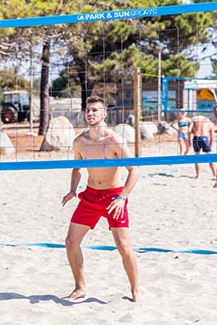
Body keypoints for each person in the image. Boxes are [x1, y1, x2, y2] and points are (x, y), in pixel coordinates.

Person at [60, 95, 139, 302]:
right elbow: (76, 168)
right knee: (70, 242)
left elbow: (134, 171)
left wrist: (122, 198)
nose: (90, 113)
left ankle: (135, 290)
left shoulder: (115, 140)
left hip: (114, 196)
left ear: (104, 114)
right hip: (90, 195)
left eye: (95, 110)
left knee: (123, 246)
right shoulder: (80, 141)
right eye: (88, 110)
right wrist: (72, 190)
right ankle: (80, 287)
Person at [189, 115, 217, 180]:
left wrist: (188, 141)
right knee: (210, 157)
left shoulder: (196, 121)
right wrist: (210, 145)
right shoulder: (210, 123)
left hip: (195, 138)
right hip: (204, 138)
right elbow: (212, 136)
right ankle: (214, 175)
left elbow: (189, 131)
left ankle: (197, 175)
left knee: (197, 157)